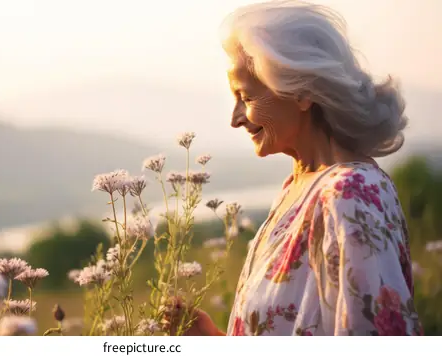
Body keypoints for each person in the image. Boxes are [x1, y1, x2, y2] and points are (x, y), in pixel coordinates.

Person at [162, 0, 422, 336]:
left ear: (301, 93)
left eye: (247, 97)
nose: (235, 118)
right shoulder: (296, 189)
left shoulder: (350, 193)